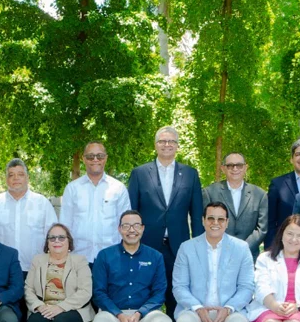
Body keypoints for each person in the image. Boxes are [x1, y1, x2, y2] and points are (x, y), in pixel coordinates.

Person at [171, 202, 256, 322]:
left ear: (226, 222)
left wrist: (228, 308)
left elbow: (247, 287)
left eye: (220, 219)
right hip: (196, 309)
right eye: (210, 218)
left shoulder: (241, 248)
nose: (215, 223)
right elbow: (179, 286)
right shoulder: (187, 248)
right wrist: (197, 308)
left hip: (229, 310)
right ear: (203, 221)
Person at [91, 210, 171, 322]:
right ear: (119, 229)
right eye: (126, 225)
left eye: (136, 225)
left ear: (142, 229)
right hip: (114, 313)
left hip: (144, 314)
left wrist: (138, 314)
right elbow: (99, 292)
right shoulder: (105, 256)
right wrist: (119, 314)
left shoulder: (155, 257)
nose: (131, 230)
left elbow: (159, 293)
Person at [128, 126, 204, 306]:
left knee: (176, 295)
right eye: (162, 141)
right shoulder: (139, 173)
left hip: (179, 246)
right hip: (147, 245)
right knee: (146, 293)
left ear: (177, 146)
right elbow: (131, 212)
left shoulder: (190, 174)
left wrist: (199, 245)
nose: (167, 145)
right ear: (155, 145)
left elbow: (196, 213)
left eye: (171, 141)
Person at [60, 141, 132, 263]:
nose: (95, 159)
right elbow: (65, 225)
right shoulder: (72, 189)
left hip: (112, 258)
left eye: (100, 156)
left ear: (106, 158)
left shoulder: (118, 188)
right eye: (90, 156)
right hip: (79, 258)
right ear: (83, 159)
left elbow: (126, 224)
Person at [0, 158, 57, 274]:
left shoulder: (42, 203)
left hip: (35, 269)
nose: (16, 178)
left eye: (20, 174)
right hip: (1, 270)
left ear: (27, 178)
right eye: (11, 175)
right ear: (6, 179)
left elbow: (54, 236)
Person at [203, 151, 267, 256]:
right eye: (230, 165)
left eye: (239, 165)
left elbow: (262, 228)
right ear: (223, 169)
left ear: (245, 167)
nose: (235, 169)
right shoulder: (209, 192)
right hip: (217, 254)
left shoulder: (260, 194)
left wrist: (243, 247)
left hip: (248, 254)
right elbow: (206, 224)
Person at [265, 138, 300, 249]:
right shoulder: (277, 184)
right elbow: (270, 222)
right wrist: (270, 250)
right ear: (292, 159)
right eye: (298, 154)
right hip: (285, 248)